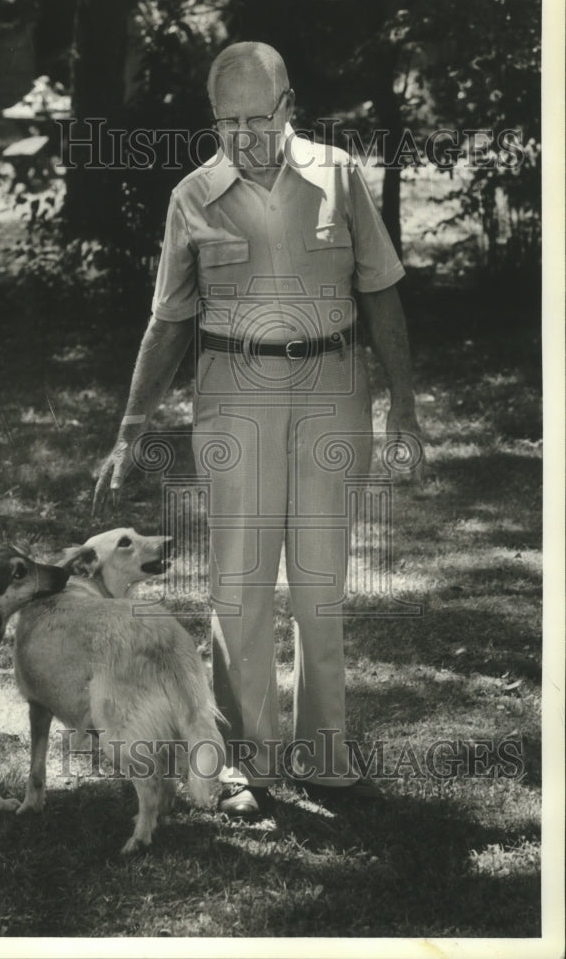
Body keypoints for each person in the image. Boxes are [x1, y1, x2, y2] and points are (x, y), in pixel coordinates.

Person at [93, 42, 424, 817]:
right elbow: (167, 321)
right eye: (226, 122)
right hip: (233, 391)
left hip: (333, 387)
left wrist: (402, 404)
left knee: (318, 582)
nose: (243, 136)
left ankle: (323, 753)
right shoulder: (193, 195)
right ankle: (249, 762)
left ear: (288, 104)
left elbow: (380, 293)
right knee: (239, 585)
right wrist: (130, 427)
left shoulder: (338, 176)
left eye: (258, 118)